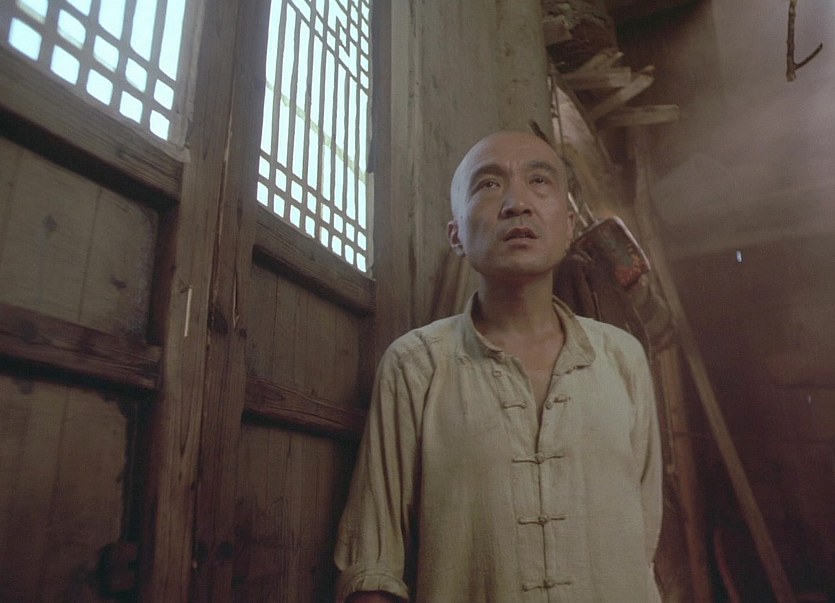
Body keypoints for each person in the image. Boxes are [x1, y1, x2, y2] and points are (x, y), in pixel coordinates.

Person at [334, 130, 663, 602]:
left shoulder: (622, 358)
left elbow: (642, 542)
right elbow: (374, 566)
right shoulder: (415, 365)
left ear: (569, 227)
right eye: (488, 185)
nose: (517, 204)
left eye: (539, 181)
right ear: (456, 235)